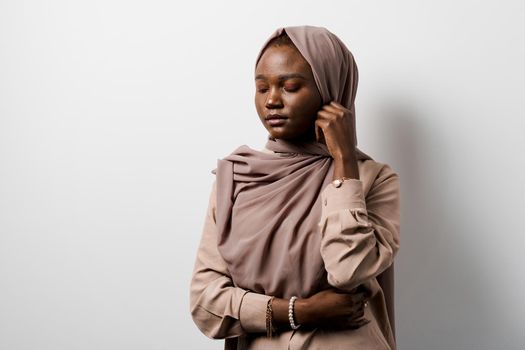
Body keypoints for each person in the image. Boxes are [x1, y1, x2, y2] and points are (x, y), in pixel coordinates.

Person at [189, 25, 401, 350]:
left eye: (290, 87)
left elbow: (349, 270)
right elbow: (205, 303)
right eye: (262, 88)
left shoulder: (373, 179)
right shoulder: (236, 177)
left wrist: (343, 159)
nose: (272, 100)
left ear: (330, 92)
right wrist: (301, 312)